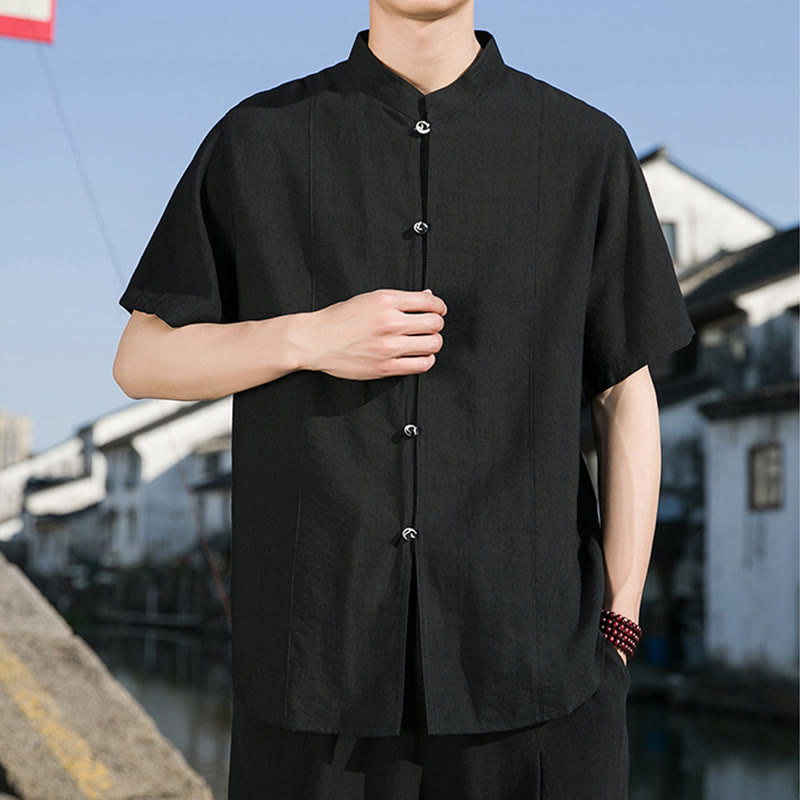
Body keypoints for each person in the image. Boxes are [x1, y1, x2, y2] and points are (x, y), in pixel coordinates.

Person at [113, 1, 695, 797]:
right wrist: (310, 337)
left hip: (542, 680)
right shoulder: (257, 139)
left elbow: (624, 391)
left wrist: (619, 624)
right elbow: (141, 358)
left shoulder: (585, 147)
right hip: (311, 676)